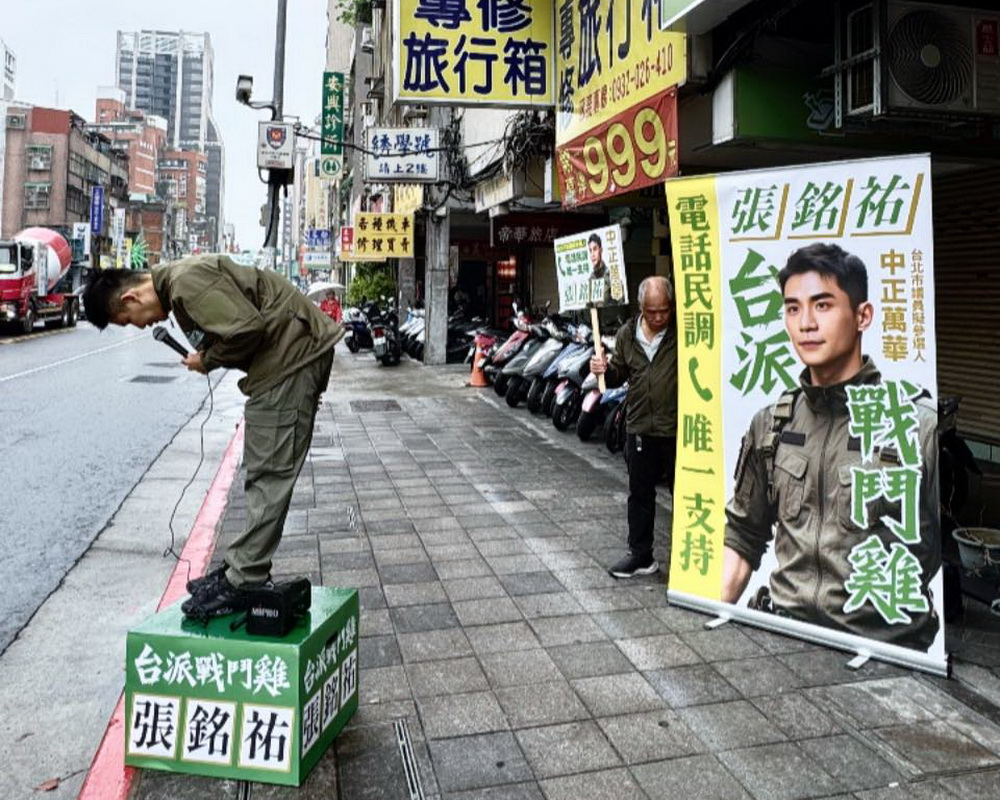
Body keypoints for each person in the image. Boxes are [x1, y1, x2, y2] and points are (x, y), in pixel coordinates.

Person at [82, 254, 343, 619]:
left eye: (130, 321)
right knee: (262, 471)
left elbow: (246, 329)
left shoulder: (186, 283)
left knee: (269, 473)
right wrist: (209, 353)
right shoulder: (180, 286)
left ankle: (244, 579)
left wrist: (208, 360)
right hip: (284, 361)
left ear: (131, 299)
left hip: (291, 360)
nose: (141, 327)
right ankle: (241, 566)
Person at [721, 243, 939, 650]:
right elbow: (743, 534)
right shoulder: (771, 423)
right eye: (792, 308)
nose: (805, 323)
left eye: (822, 306)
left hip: (884, 655)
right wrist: (711, 621)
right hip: (783, 635)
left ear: (862, 316)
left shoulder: (920, 429)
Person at [591, 275, 678, 578]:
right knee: (640, 494)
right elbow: (617, 375)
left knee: (685, 495)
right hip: (639, 424)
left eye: (664, 311)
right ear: (641, 306)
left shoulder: (683, 331)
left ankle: (688, 560)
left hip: (678, 428)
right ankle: (641, 555)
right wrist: (603, 370)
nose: (658, 317)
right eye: (651, 311)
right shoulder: (628, 334)